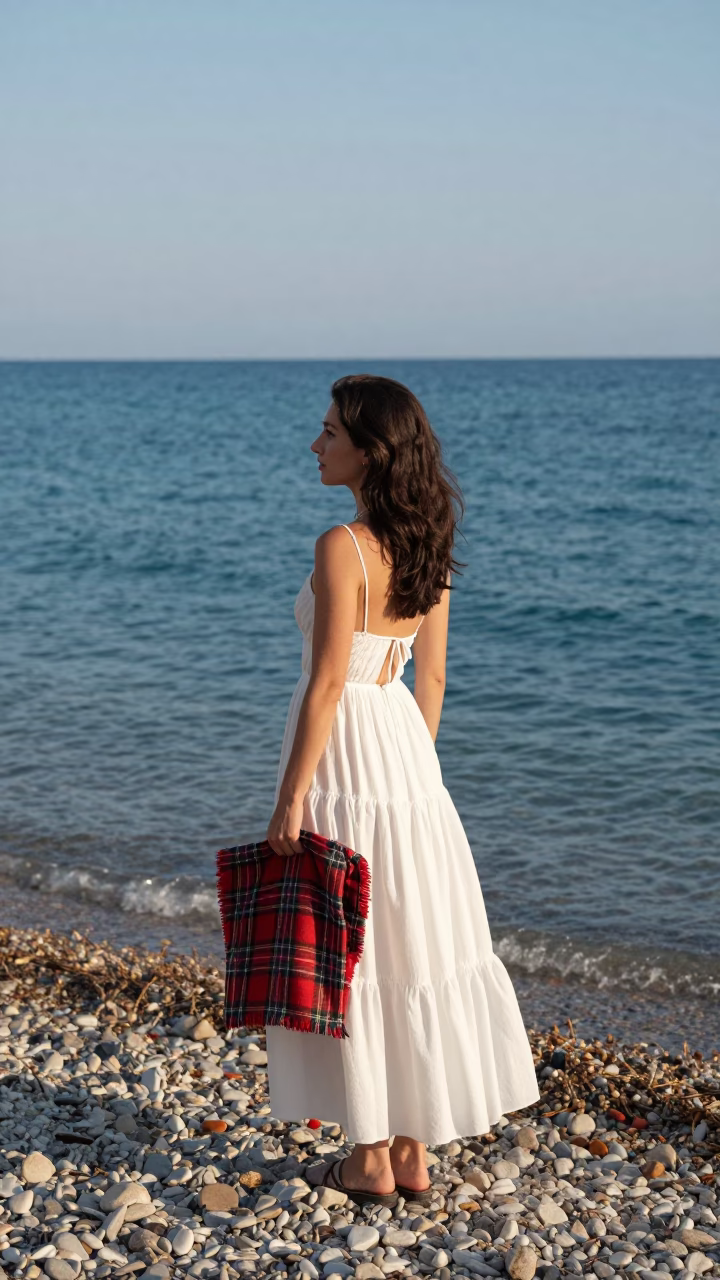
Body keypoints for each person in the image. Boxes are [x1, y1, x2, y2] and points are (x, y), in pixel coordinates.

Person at [265, 373, 539, 1207]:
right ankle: (413, 1152)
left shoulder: (340, 546)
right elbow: (435, 677)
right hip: (408, 759)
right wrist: (412, 776)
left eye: (329, 434)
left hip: (346, 746)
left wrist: (290, 801)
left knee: (353, 948)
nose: (315, 445)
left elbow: (323, 688)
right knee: (414, 939)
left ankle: (372, 1158)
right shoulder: (431, 537)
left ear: (369, 452)